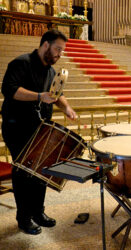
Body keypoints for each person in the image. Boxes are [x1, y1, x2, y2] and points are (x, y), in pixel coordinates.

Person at [1, 29, 77, 235]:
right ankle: (24, 218)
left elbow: (56, 94)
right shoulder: (21, 63)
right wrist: (38, 96)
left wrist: (67, 107)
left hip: (39, 129)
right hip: (16, 126)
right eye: (58, 49)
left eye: (62, 51)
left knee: (41, 170)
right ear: (45, 45)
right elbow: (9, 89)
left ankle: (38, 212)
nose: (60, 54)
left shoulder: (52, 72)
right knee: (24, 172)